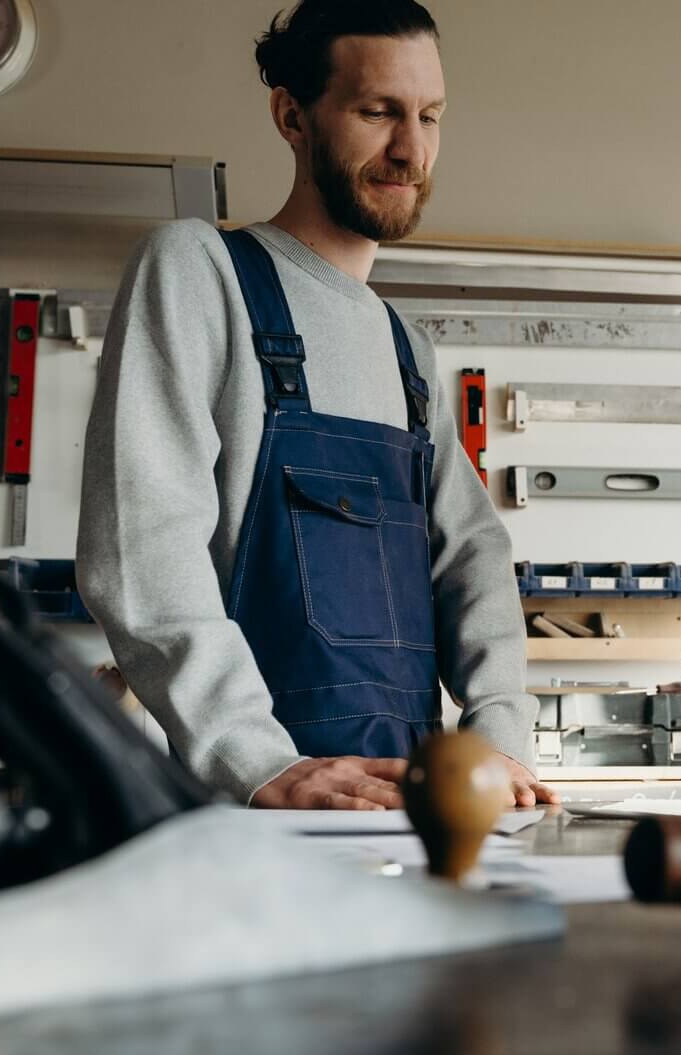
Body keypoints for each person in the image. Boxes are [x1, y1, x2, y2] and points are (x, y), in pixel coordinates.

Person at [78, 0, 555, 811]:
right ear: (291, 116)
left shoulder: (405, 346)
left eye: (429, 116)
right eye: (378, 112)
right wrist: (258, 762)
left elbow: (471, 552)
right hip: (246, 807)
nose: (411, 149)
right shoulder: (201, 271)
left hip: (400, 809)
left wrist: (499, 741)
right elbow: (141, 543)